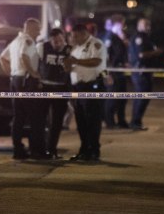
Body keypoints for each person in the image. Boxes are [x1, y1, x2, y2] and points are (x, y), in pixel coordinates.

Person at [0, 18, 47, 159]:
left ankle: (18, 149)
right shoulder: (28, 41)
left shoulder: (15, 41)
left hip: (16, 80)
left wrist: (12, 74)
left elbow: (2, 58)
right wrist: (33, 72)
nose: (39, 32)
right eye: (37, 28)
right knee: (35, 116)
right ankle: (36, 150)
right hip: (27, 81)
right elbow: (23, 55)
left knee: (18, 117)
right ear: (30, 28)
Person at [64, 23, 107, 161]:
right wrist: (67, 65)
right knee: (81, 121)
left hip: (91, 86)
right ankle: (84, 150)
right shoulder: (75, 48)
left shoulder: (96, 44)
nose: (73, 39)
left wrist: (77, 61)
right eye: (72, 36)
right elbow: (71, 67)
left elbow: (96, 61)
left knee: (92, 120)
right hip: (78, 88)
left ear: (84, 34)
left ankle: (94, 150)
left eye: (75, 36)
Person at [38, 27, 72, 159]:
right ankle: (41, 149)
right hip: (45, 87)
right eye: (54, 41)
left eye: (59, 41)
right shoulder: (42, 47)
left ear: (64, 39)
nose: (57, 44)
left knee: (57, 122)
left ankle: (52, 149)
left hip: (61, 89)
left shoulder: (69, 50)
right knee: (42, 121)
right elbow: (36, 64)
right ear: (50, 40)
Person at [128, 18, 162, 131]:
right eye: (145, 24)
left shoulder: (146, 38)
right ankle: (135, 122)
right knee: (142, 96)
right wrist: (155, 53)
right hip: (141, 71)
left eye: (149, 24)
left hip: (145, 71)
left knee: (144, 97)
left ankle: (136, 121)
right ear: (139, 26)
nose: (148, 26)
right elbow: (141, 55)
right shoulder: (139, 38)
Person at [103, 14, 129, 129]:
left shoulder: (119, 37)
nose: (123, 26)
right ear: (116, 24)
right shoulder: (109, 37)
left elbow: (121, 54)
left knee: (122, 98)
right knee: (112, 98)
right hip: (112, 72)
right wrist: (106, 74)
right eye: (122, 23)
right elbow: (104, 58)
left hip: (120, 71)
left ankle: (121, 120)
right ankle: (110, 121)